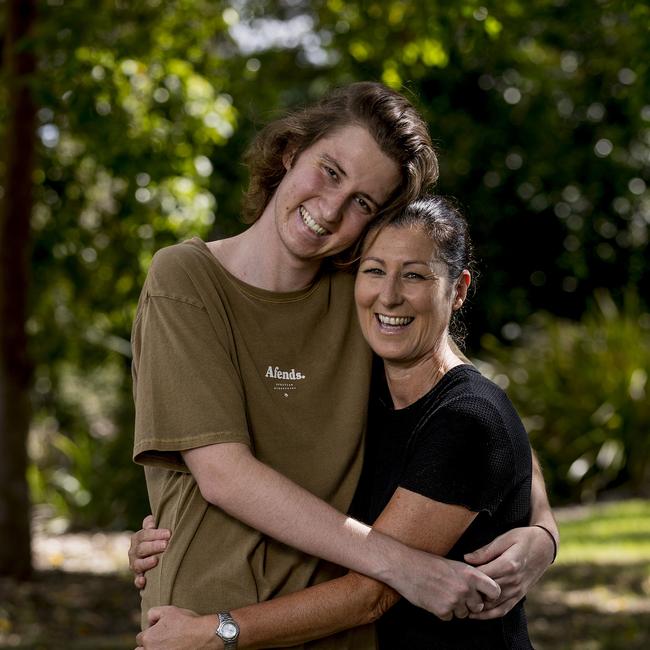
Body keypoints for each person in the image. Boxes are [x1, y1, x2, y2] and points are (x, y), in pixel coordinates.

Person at [130, 82, 558, 649]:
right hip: (203, 618)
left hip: (332, 623)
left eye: (363, 202)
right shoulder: (185, 279)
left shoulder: (363, 292)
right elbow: (223, 473)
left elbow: (469, 405)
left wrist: (543, 532)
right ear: (291, 152)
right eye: (330, 171)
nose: (331, 210)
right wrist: (402, 565)